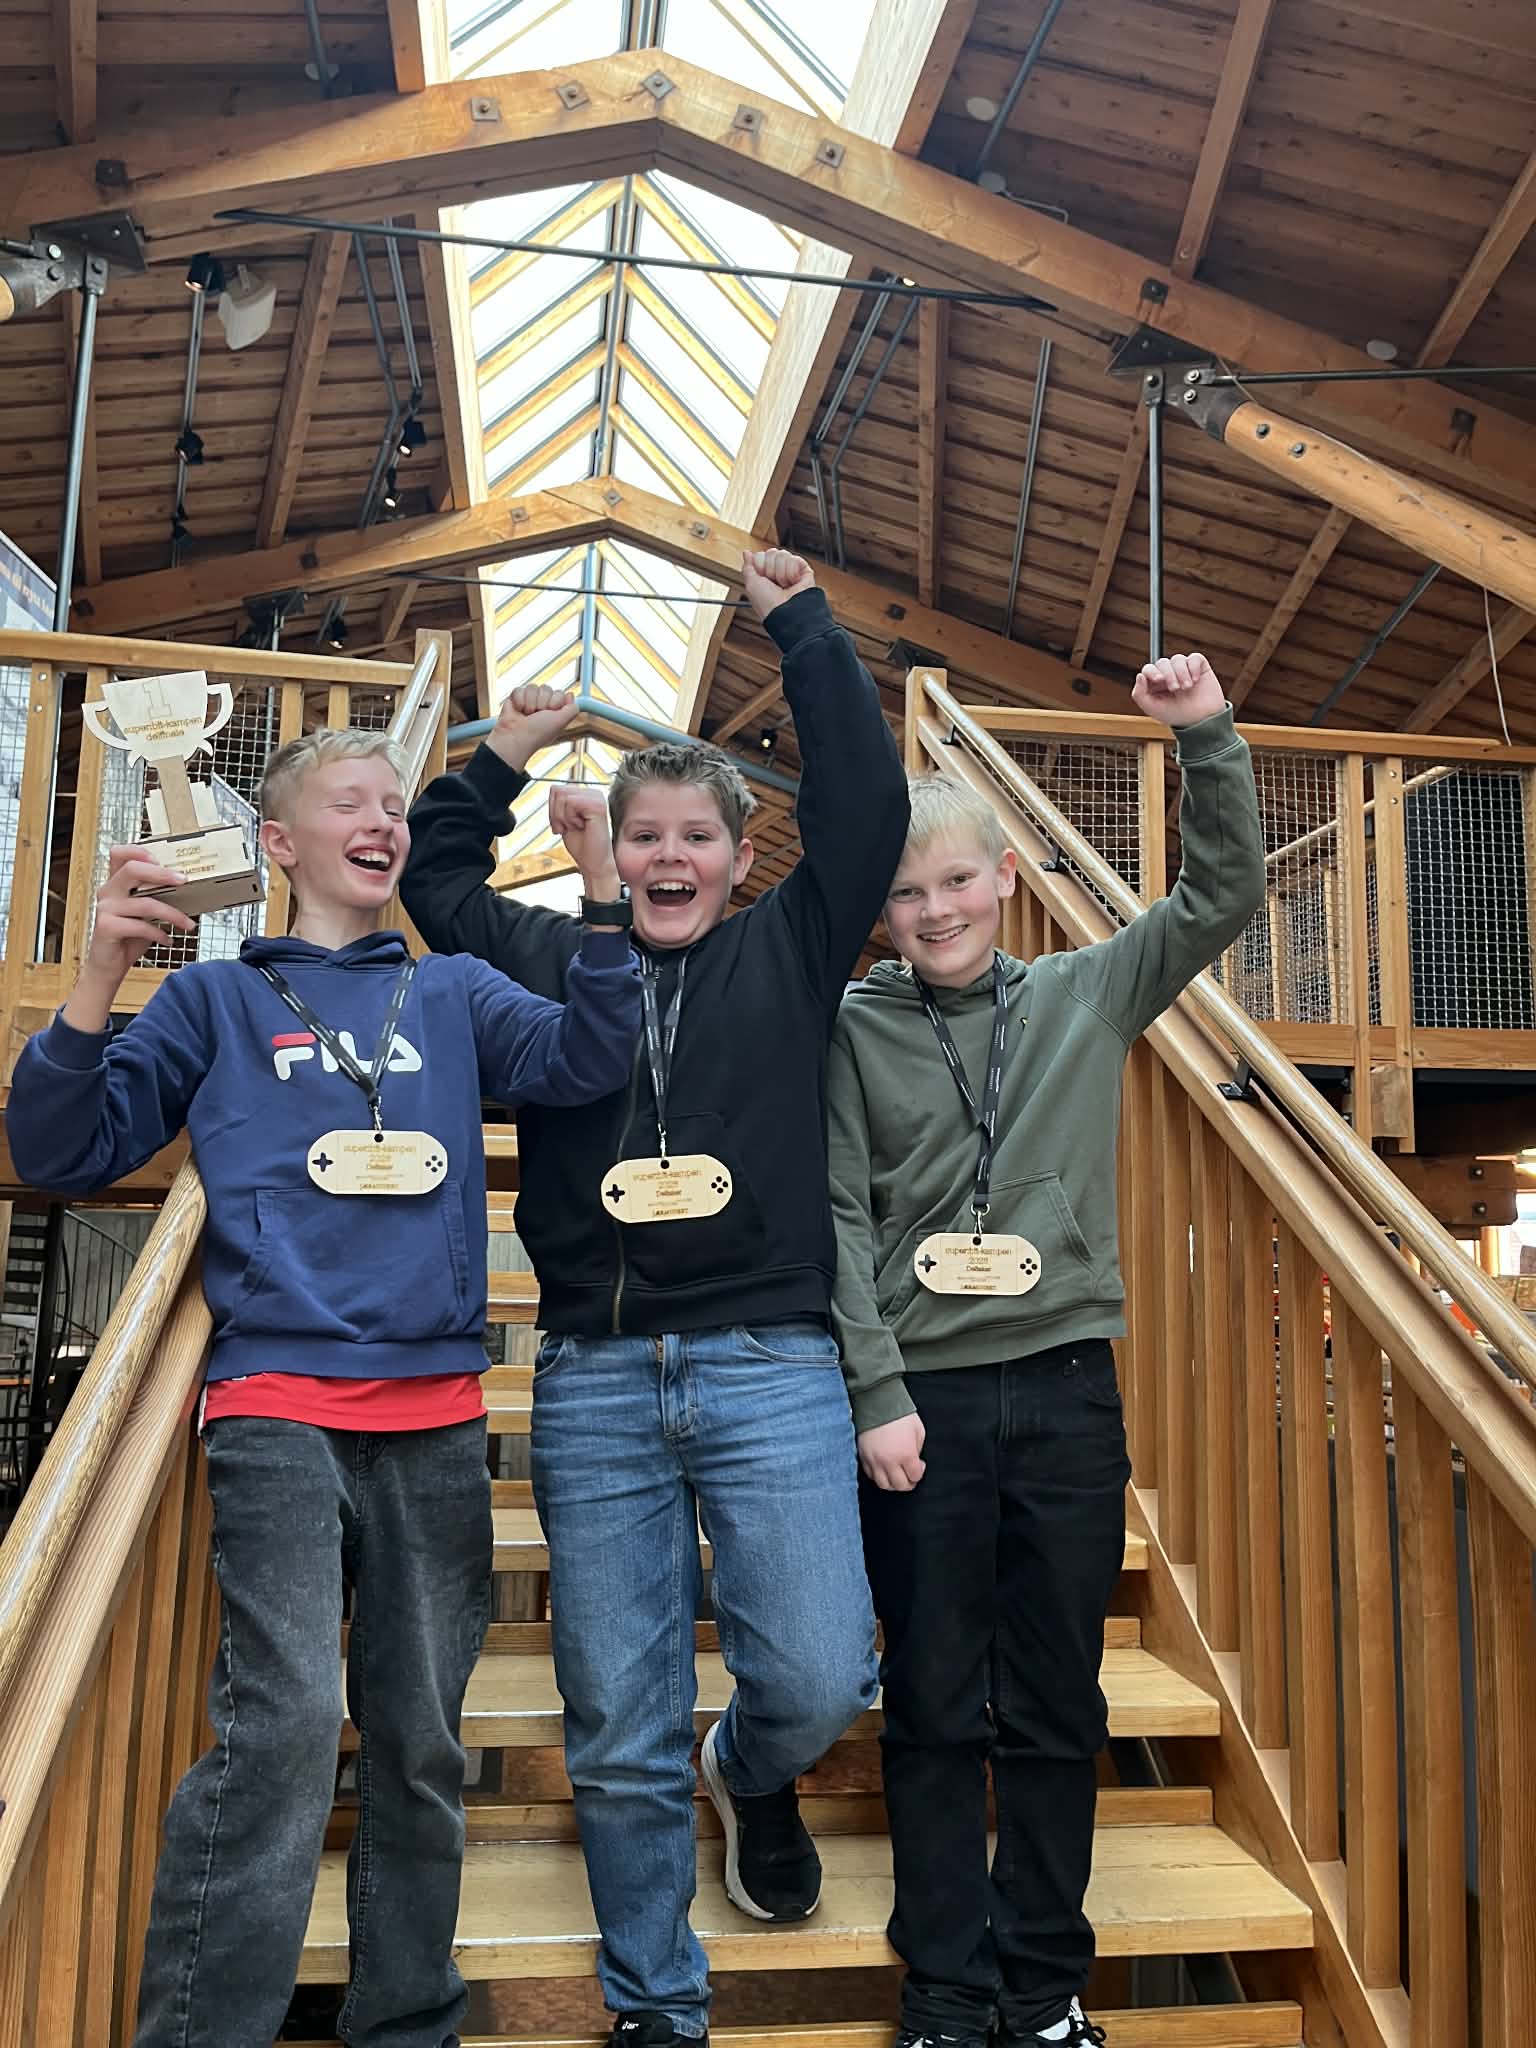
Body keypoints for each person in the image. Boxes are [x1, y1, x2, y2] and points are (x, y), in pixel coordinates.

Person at [7, 725, 641, 2048]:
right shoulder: (213, 1003)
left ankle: (406, 2021)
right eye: (352, 801)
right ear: (279, 844)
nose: (384, 820)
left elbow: (590, 1060)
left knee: (419, 1745)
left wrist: (599, 895)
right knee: (287, 1727)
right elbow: (64, 1149)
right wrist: (99, 977)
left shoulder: (454, 989)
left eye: (396, 804)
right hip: (276, 1409)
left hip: (439, 1419)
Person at [401, 549, 909, 2048]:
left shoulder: (792, 949)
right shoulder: (551, 955)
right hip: (598, 1376)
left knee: (820, 1671)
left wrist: (800, 626)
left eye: (698, 836)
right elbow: (436, 880)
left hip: (771, 1363)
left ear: (742, 860)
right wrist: (502, 754)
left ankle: (748, 1767)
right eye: (646, 836)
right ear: (614, 854)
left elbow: (867, 808)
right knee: (616, 1724)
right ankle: (654, 2007)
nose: (671, 856)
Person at [827, 653, 1266, 2048]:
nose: (935, 910)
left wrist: (1206, 736)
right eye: (906, 893)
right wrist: (875, 1392)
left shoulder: (1085, 994)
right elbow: (839, 1220)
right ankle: (945, 1988)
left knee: (1058, 1698)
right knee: (933, 1696)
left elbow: (1220, 896)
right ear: (879, 910)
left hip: (1070, 1391)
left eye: (957, 881)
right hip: (925, 1404)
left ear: (1005, 878)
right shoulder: (851, 1027)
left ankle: (1042, 1987)